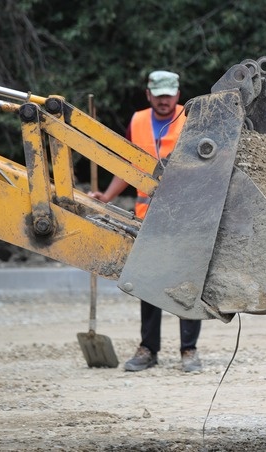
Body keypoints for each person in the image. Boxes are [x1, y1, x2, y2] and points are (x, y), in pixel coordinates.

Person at [89, 70, 203, 373]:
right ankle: (148, 349)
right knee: (148, 284)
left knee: (186, 285)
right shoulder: (138, 121)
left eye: (169, 95)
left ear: (177, 95)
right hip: (148, 220)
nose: (164, 101)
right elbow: (128, 165)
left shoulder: (192, 119)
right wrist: (107, 197)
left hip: (185, 218)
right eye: (159, 95)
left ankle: (189, 351)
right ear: (148, 94)